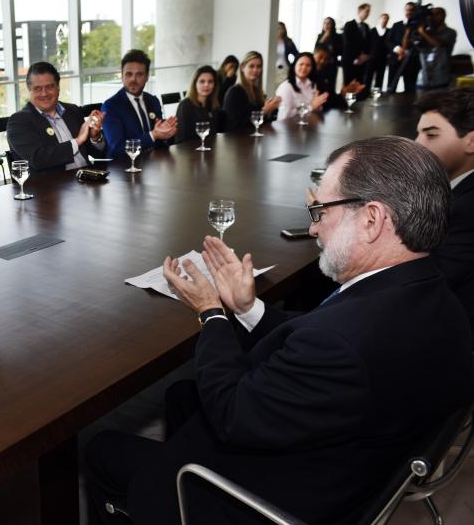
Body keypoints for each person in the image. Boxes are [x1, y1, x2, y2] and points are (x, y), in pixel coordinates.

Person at [84, 135, 473, 525]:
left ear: (371, 220)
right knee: (183, 395)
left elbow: (233, 413)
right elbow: (319, 336)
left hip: (268, 502)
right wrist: (247, 308)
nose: (314, 229)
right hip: (350, 462)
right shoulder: (438, 300)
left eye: (320, 211)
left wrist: (211, 312)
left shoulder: (340, 344)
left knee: (103, 449)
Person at [415, 89, 474, 330]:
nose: (418, 144)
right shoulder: (458, 191)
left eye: (431, 135)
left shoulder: (465, 211)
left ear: (471, 141)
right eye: (419, 133)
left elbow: (425, 283)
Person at [6, 61, 105, 171]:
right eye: (38, 88)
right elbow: (38, 159)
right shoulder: (18, 122)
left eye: (49, 87)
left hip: (87, 176)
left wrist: (94, 137)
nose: (44, 93)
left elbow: (98, 154)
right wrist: (78, 140)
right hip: (51, 181)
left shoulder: (73, 110)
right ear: (29, 90)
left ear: (58, 87)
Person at [101, 49, 177, 159]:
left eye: (139, 74)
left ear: (147, 77)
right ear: (122, 75)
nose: (133, 79)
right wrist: (153, 135)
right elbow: (117, 148)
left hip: (153, 163)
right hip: (123, 165)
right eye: (129, 74)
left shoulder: (153, 101)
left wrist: (167, 133)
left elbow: (159, 141)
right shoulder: (111, 106)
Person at [222, 51, 281, 132]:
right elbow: (235, 126)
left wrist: (271, 110)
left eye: (258, 66)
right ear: (242, 68)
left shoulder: (258, 92)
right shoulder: (234, 92)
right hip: (237, 139)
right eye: (251, 66)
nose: (255, 70)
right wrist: (264, 111)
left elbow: (262, 123)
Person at [175, 66, 224, 143]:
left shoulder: (213, 104)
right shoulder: (185, 105)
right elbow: (182, 139)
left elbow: (214, 134)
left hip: (210, 148)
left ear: (214, 85)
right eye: (202, 81)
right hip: (189, 149)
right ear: (195, 83)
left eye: (210, 81)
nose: (206, 85)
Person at [274, 52, 329, 119]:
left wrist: (318, 106)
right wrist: (311, 107)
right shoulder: (286, 87)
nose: (304, 68)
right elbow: (285, 116)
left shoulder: (312, 84)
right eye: (301, 64)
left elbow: (315, 108)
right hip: (289, 124)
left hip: (309, 122)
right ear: (294, 65)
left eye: (308, 65)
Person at [416, 7, 457, 90]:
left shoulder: (450, 32)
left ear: (443, 16)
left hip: (441, 78)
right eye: (431, 15)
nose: (432, 17)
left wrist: (423, 33)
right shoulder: (426, 32)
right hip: (423, 79)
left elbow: (438, 44)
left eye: (436, 14)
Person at [314, 46, 365, 111]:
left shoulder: (327, 75)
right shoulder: (306, 76)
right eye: (320, 57)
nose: (322, 61)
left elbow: (331, 100)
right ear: (313, 55)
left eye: (326, 59)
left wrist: (345, 93)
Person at [387, 2, 421, 92]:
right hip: (395, 61)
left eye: (411, 10)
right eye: (407, 10)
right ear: (404, 10)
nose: (409, 12)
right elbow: (388, 41)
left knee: (410, 90)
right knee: (391, 89)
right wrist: (397, 49)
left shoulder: (419, 27)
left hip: (411, 63)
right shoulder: (396, 25)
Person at [342, 3, 372, 86]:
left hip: (362, 62)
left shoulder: (366, 26)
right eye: (366, 11)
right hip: (350, 60)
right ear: (360, 11)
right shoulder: (349, 24)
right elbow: (348, 43)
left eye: (369, 12)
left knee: (359, 85)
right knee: (349, 84)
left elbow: (368, 43)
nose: (368, 14)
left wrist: (366, 56)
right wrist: (358, 56)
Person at [366, 13, 390, 89]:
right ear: (379, 19)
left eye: (386, 19)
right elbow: (367, 44)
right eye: (383, 18)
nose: (384, 20)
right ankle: (366, 92)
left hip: (383, 59)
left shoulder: (389, 32)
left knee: (380, 78)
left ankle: (377, 92)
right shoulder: (372, 31)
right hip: (371, 58)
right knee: (368, 77)